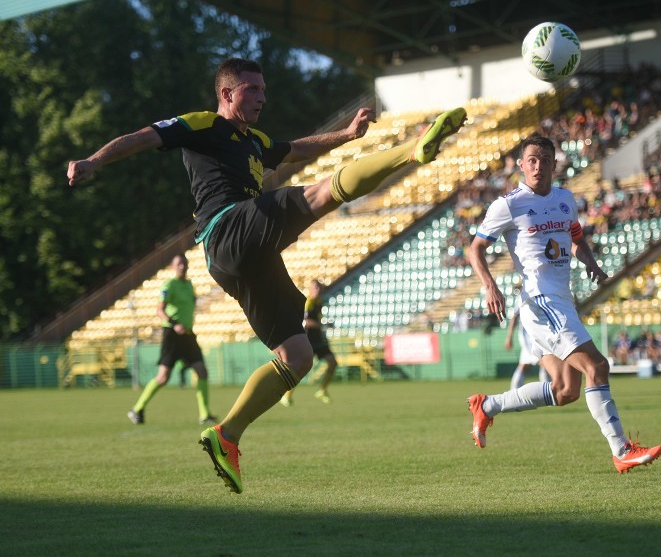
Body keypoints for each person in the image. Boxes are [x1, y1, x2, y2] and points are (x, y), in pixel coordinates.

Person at [68, 57, 467, 493]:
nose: (262, 97)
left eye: (263, 89)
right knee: (320, 193)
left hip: (242, 257)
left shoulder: (255, 141)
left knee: (297, 357)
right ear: (227, 94)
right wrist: (93, 160)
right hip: (228, 228)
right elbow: (144, 137)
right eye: (252, 89)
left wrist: (349, 135)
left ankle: (226, 434)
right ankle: (412, 151)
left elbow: (296, 148)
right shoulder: (202, 125)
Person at [465, 134, 661, 474]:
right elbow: (475, 248)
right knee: (597, 367)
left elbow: (574, 239)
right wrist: (489, 286)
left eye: (545, 160)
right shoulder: (509, 204)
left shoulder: (564, 200)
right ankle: (621, 450)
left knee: (566, 389)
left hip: (561, 300)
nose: (538, 166)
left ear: (555, 164)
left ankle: (489, 405)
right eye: (532, 160)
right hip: (541, 302)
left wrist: (590, 262)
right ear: (522, 165)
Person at [127, 253, 216, 425]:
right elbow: (159, 310)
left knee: (202, 372)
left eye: (184, 263)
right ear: (173, 267)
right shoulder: (170, 284)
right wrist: (174, 323)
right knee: (163, 377)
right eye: (179, 264)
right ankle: (136, 409)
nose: (182, 266)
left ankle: (204, 415)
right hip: (173, 335)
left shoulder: (190, 285)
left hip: (188, 335)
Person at [280, 279, 338, 405]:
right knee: (301, 368)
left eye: (319, 287)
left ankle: (322, 390)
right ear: (311, 289)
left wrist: (324, 325)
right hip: (308, 339)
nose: (318, 289)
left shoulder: (319, 302)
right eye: (315, 287)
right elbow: (306, 322)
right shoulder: (309, 302)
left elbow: (316, 321)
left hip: (319, 339)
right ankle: (287, 395)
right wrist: (323, 325)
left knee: (333, 363)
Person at [504, 303, 549, 390]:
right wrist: (509, 337)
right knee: (544, 362)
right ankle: (548, 392)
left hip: (533, 334)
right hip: (531, 336)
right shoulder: (523, 296)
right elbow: (515, 317)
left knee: (524, 365)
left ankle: (514, 392)